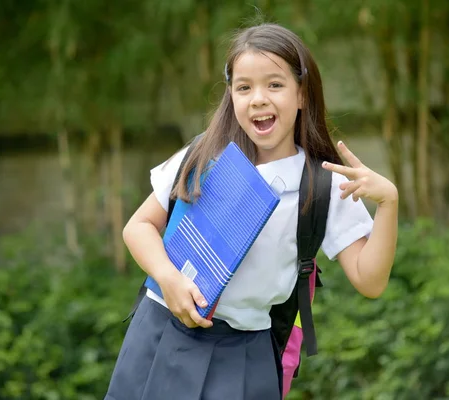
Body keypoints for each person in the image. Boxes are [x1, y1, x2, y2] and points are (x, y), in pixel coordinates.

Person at [105, 22, 398, 400]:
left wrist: (388, 203)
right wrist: (167, 277)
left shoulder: (321, 184)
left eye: (274, 84)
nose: (258, 98)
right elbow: (139, 226)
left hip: (244, 352)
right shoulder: (205, 154)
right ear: (231, 96)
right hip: (160, 332)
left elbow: (369, 281)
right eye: (244, 87)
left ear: (302, 95)